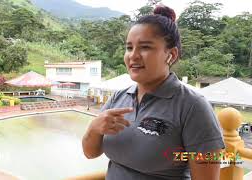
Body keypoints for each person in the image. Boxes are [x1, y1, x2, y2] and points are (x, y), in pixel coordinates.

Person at [82, 5, 225, 180]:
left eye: (145, 47)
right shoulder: (118, 97)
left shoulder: (193, 106)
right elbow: (90, 153)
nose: (133, 56)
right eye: (129, 47)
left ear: (170, 55)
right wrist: (94, 128)